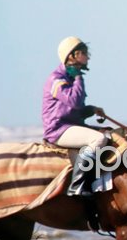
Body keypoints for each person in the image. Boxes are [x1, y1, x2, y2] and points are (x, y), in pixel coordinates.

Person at [42, 36, 107, 197]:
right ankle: (77, 186)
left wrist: (91, 109)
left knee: (109, 133)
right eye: (84, 53)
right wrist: (78, 77)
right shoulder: (56, 79)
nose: (88, 57)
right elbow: (74, 101)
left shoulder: (70, 77)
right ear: (72, 56)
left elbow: (74, 111)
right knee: (98, 140)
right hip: (58, 130)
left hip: (69, 126)